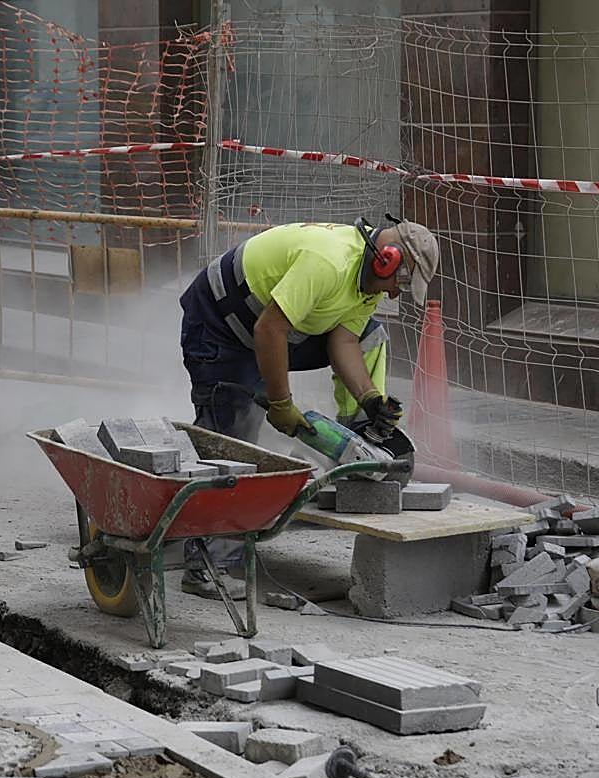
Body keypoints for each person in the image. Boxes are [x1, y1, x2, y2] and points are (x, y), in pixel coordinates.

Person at [176, 216, 439, 599]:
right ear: (386, 258)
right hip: (221, 324)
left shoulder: (365, 286)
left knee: (370, 336)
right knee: (232, 441)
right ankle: (206, 565)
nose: (396, 295)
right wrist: (281, 403)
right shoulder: (328, 262)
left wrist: (369, 397)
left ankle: (359, 445)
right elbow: (270, 329)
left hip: (269, 321)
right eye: (400, 284)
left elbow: (345, 340)